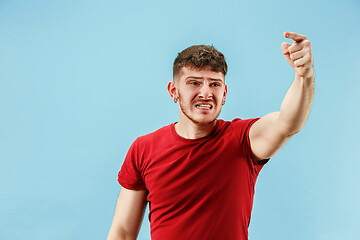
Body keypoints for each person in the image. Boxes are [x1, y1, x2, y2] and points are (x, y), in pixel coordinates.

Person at [107, 32, 314, 240]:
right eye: (194, 83)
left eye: (214, 84)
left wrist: (304, 75)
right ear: (173, 91)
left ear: (224, 93)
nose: (206, 93)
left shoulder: (243, 140)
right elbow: (123, 233)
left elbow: (288, 123)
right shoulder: (144, 148)